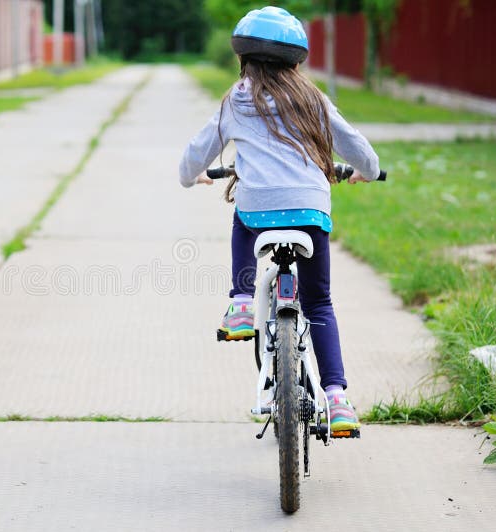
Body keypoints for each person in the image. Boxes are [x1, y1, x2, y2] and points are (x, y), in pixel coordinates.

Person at [178, 6, 381, 431]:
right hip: (310, 212)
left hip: (257, 210)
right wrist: (370, 168)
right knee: (319, 303)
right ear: (297, 62)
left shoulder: (236, 100)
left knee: (242, 220)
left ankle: (240, 301)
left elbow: (197, 152)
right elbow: (354, 145)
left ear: (242, 60)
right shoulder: (313, 99)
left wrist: (190, 177)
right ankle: (338, 399)